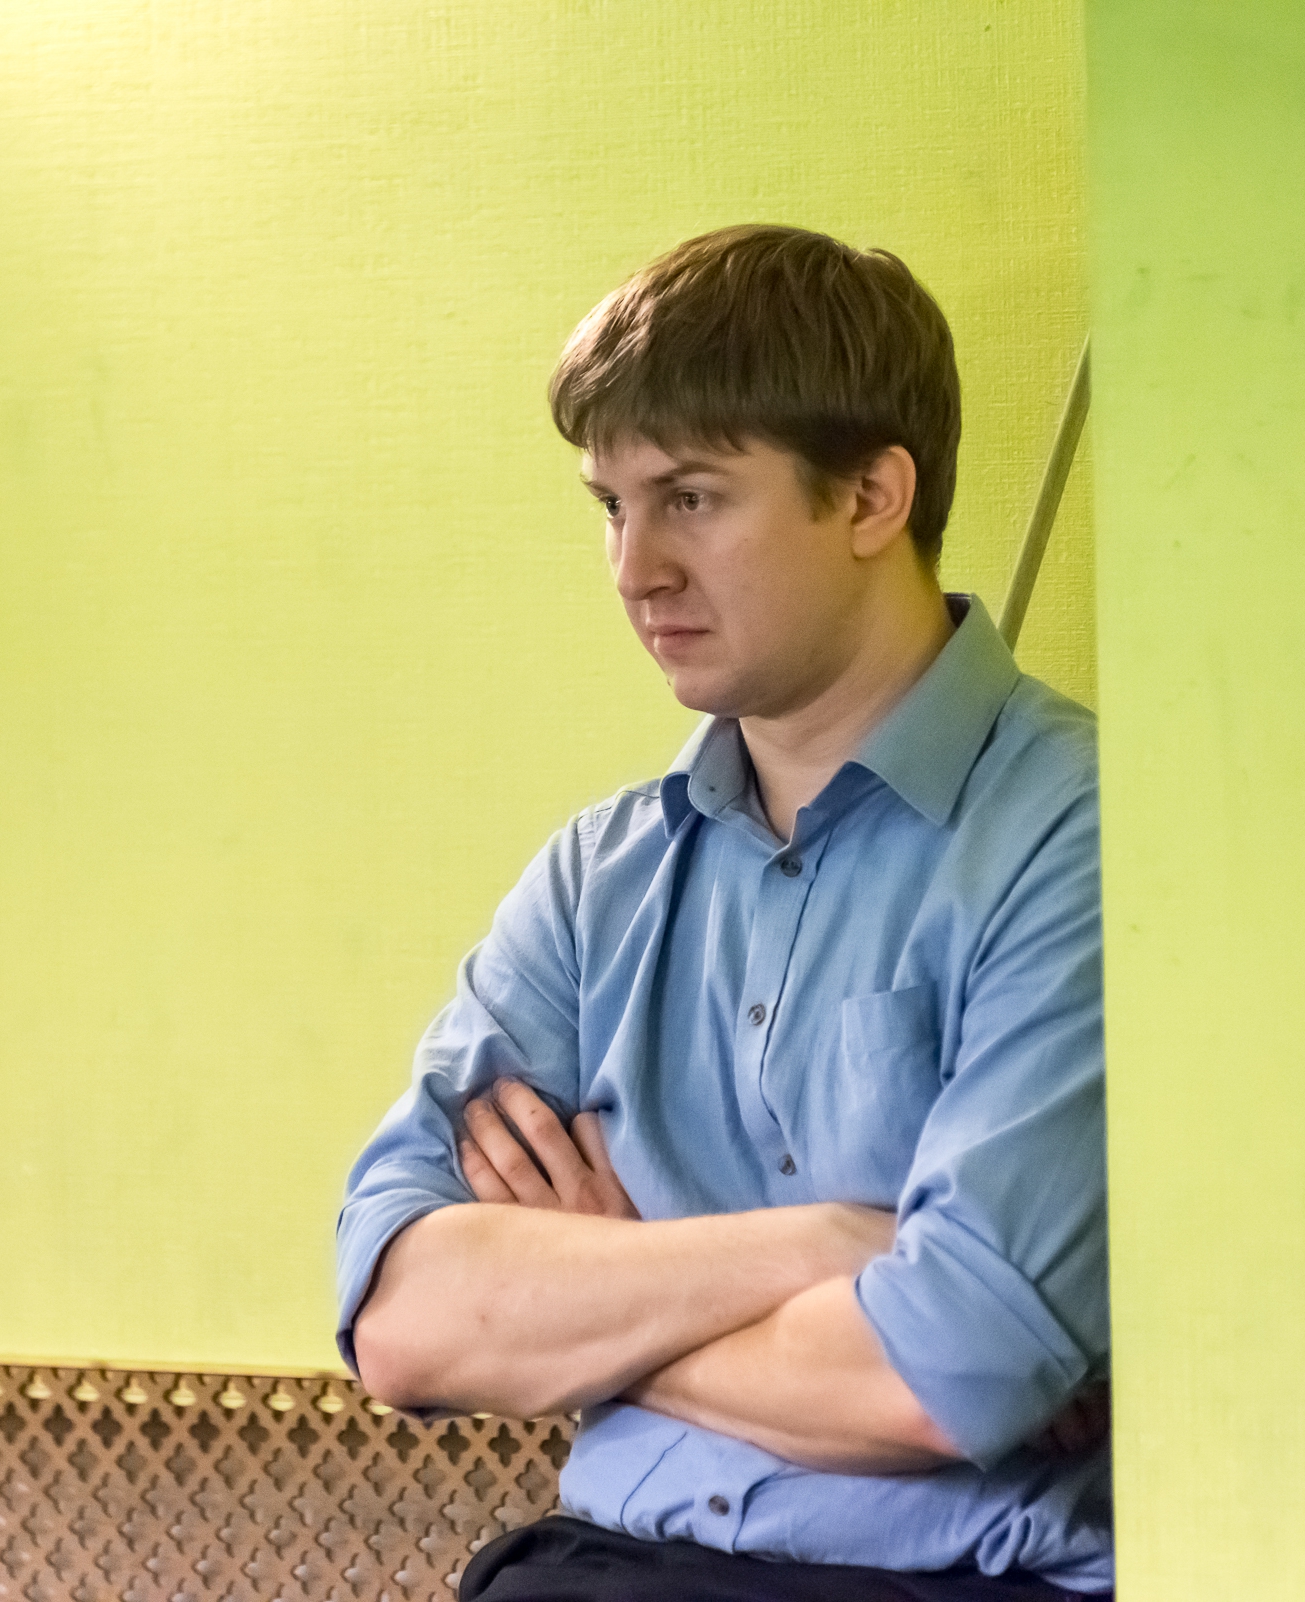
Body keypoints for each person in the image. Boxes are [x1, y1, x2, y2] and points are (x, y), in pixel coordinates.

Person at [335, 223, 1113, 1600]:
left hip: (954, 1583)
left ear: (870, 496)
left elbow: (949, 1374)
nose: (636, 569)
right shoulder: (600, 876)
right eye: (611, 506)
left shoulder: (1078, 831)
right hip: (600, 1567)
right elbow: (404, 1320)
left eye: (690, 497)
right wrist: (826, 1244)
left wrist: (603, 1289)